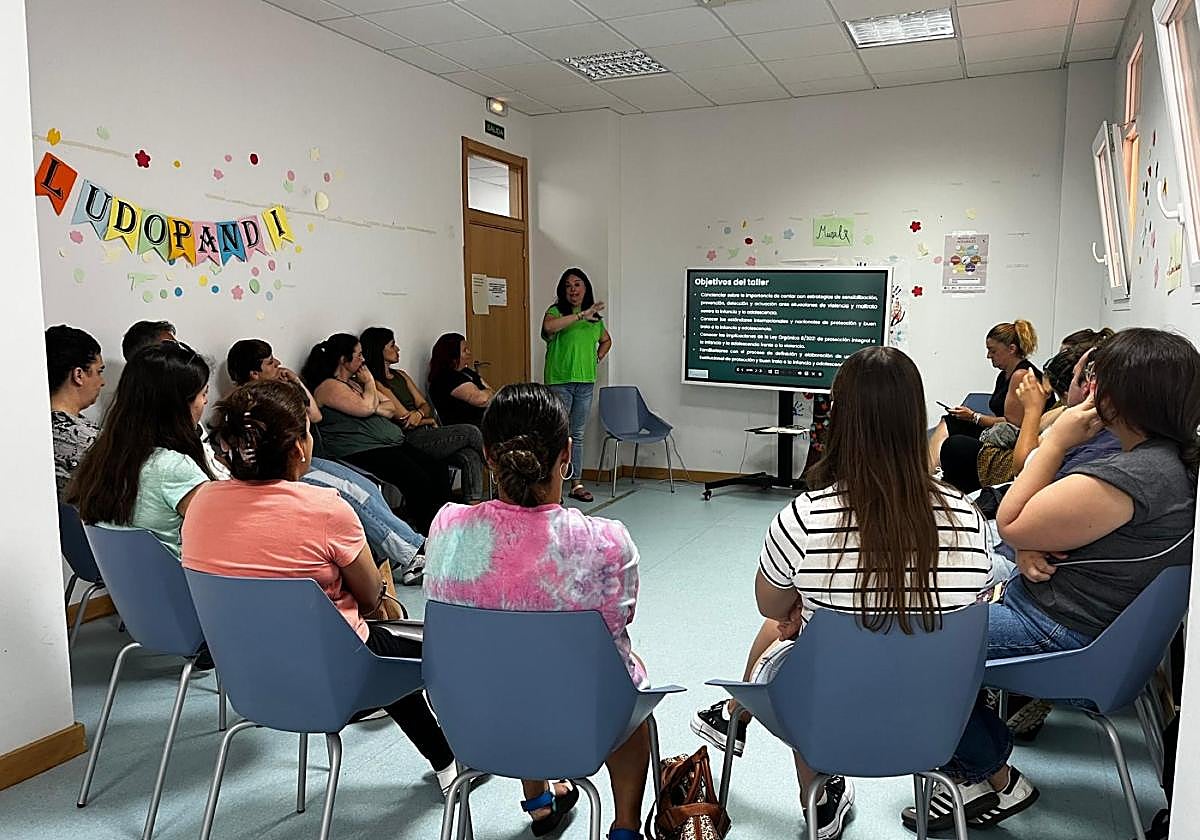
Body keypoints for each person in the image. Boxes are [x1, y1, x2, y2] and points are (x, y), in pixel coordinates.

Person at [903, 328, 1200, 832]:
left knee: (910, 639)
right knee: (947, 615)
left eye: (1097, 378)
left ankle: (987, 776)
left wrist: (1056, 440)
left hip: (1059, 628)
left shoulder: (1134, 475)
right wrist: (1027, 543)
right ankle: (976, 763)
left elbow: (1010, 521)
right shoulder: (1166, 462)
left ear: (1119, 396)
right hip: (1082, 620)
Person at [693, 347, 991, 840]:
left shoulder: (805, 517)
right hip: (934, 718)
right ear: (914, 418)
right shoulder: (969, 520)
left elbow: (769, 606)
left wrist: (800, 610)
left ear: (841, 420)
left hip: (826, 716)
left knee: (795, 641)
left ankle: (818, 795)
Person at [180, 380, 457, 793]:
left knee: (382, 645)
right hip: (339, 678)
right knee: (435, 646)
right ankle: (458, 762)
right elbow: (368, 598)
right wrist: (383, 600)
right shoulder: (325, 507)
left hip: (248, 677)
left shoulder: (201, 502)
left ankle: (445, 759)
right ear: (297, 448)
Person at [424, 383, 648, 840]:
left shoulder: (448, 527)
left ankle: (540, 802)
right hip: (581, 724)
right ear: (566, 454)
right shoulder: (606, 542)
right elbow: (615, 631)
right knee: (631, 698)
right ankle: (624, 827)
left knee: (507, 658)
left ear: (488, 455)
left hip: (475, 723)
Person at [226, 339, 426, 581]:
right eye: (270, 362)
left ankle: (401, 553)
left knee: (367, 486)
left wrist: (296, 383)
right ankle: (411, 552)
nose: (278, 363)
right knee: (352, 493)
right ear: (254, 373)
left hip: (302, 460)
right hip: (281, 469)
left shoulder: (273, 395)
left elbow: (315, 415)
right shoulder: (244, 405)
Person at [68, 340, 214, 558]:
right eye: (203, 394)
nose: (206, 401)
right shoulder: (174, 469)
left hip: (131, 590)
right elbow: (223, 536)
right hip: (183, 588)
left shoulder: (104, 455)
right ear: (177, 405)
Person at [301, 333, 450, 534]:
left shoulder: (354, 383)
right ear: (344, 360)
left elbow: (388, 407)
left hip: (386, 443)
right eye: (359, 355)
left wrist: (373, 407)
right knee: (417, 478)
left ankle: (447, 525)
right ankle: (427, 533)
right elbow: (365, 408)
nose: (363, 360)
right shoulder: (329, 386)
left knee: (437, 468)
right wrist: (370, 384)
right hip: (359, 449)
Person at [359, 327, 486, 503]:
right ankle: (501, 467)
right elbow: (403, 418)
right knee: (471, 432)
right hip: (409, 439)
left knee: (470, 456)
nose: (398, 349)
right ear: (379, 350)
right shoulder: (376, 382)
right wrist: (426, 418)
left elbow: (423, 404)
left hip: (426, 431)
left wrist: (420, 415)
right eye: (392, 346)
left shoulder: (401, 375)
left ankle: (473, 508)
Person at [934, 320, 1052, 492]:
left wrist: (974, 417)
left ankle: (942, 481)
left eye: (993, 351)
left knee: (955, 444)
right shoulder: (1004, 375)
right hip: (1004, 433)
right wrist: (972, 417)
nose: (989, 356)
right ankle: (931, 474)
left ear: (1011, 349)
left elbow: (1012, 424)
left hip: (1016, 439)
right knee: (952, 420)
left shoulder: (1021, 375)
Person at [541, 268, 612, 503]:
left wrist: (597, 358)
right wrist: (581, 315)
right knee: (557, 435)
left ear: (585, 288)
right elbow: (550, 328)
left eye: (577, 284)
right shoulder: (555, 312)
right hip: (560, 381)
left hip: (585, 382)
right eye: (568, 285)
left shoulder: (594, 320)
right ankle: (554, 487)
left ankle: (576, 483)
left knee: (577, 435)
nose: (573, 289)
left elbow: (606, 340)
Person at [46, 325, 105, 497]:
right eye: (99, 372)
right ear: (78, 375)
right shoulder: (90, 441)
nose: (102, 382)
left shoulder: (31, 428)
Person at [427, 333, 493, 428]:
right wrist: (488, 392)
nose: (469, 352)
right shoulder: (445, 378)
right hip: (468, 427)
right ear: (453, 355)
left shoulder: (467, 372)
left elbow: (492, 395)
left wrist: (488, 393)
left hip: (485, 420)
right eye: (464, 350)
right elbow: (482, 400)